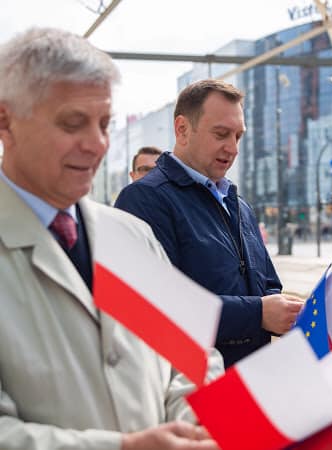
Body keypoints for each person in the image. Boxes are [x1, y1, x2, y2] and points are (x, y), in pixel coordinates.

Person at [0, 27, 222, 450]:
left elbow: (192, 360)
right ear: (5, 122)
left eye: (104, 124)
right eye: (72, 123)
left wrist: (198, 426)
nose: (97, 144)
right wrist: (124, 446)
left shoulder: (131, 236)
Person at [115, 79, 303, 367]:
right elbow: (154, 308)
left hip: (250, 379)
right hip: (191, 386)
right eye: (221, 134)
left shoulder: (239, 205)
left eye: (238, 136)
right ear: (182, 129)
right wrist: (259, 313)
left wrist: (283, 309)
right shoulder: (144, 200)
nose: (233, 148)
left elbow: (267, 283)